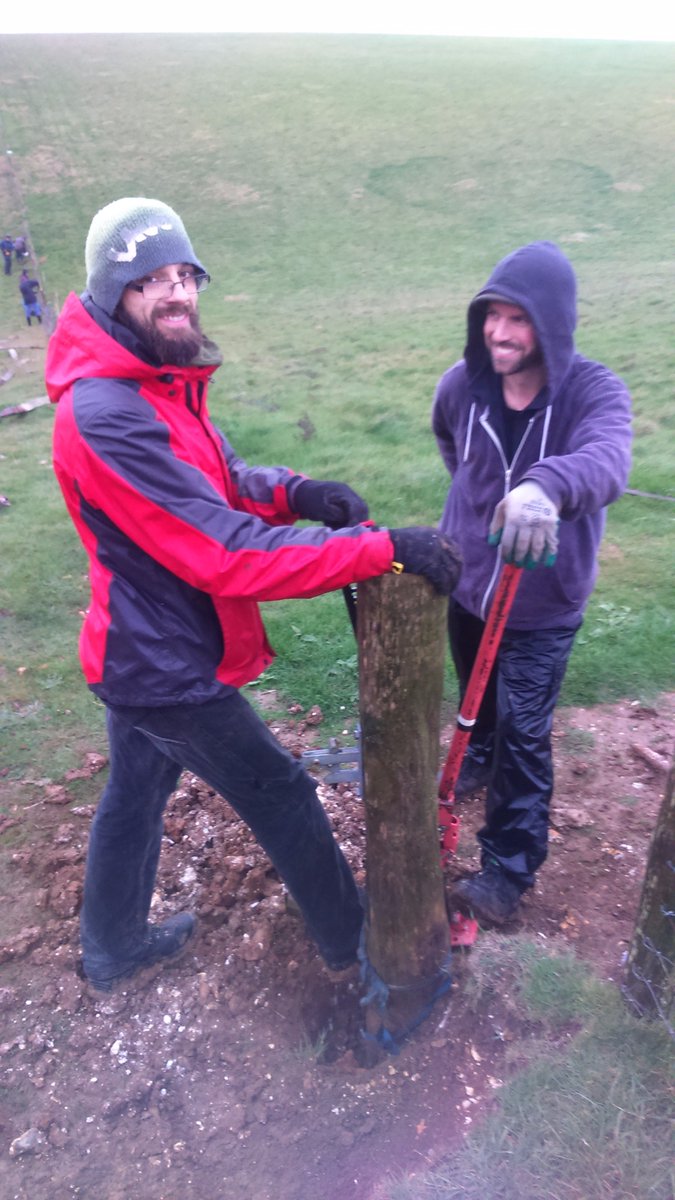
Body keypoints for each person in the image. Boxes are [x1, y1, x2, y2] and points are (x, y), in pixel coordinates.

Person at [46, 196, 462, 993]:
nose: (175, 293)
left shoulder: (155, 382)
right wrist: (376, 550)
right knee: (280, 792)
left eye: (184, 275)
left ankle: (110, 948)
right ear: (111, 294)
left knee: (133, 794)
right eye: (149, 281)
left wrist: (298, 492)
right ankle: (359, 950)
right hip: (164, 668)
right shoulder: (106, 412)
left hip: (134, 645)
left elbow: (221, 482)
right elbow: (219, 549)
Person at [432, 241, 632, 925]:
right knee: (477, 703)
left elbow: (606, 460)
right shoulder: (462, 385)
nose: (500, 332)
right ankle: (476, 758)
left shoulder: (592, 391)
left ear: (550, 325)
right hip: (468, 589)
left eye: (519, 319)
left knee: (523, 734)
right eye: (492, 314)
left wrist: (543, 487)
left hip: (542, 606)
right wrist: (469, 523)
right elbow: (449, 449)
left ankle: (507, 871)